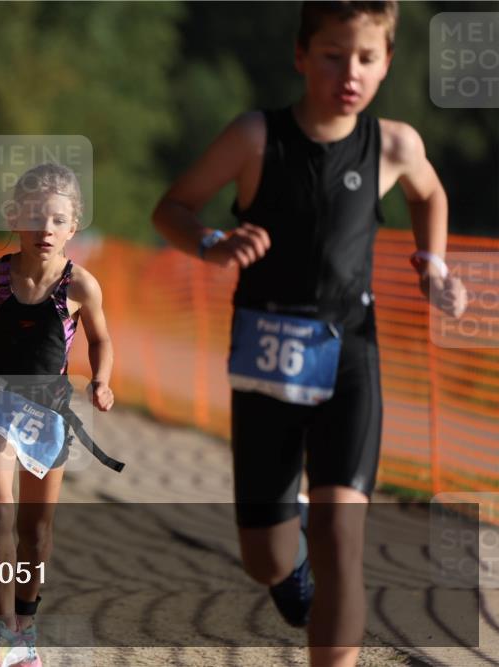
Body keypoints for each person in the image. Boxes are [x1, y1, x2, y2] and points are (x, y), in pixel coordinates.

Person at [151, 3, 467, 666]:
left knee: (340, 536)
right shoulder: (254, 137)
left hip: (351, 349)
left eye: (366, 57)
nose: (349, 72)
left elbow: (429, 194)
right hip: (266, 353)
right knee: (266, 555)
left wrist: (434, 265)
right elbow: (172, 208)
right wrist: (211, 242)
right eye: (332, 54)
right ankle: (291, 568)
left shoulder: (394, 145)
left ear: (385, 63)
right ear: (300, 56)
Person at [0, 163, 124, 667]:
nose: (46, 229)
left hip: (50, 410)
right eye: (35, 218)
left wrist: (101, 380)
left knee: (36, 529)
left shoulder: (81, 287)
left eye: (58, 220)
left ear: (73, 226)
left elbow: (100, 337)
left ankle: (25, 636)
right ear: (15, 218)